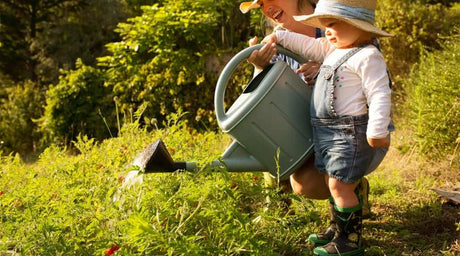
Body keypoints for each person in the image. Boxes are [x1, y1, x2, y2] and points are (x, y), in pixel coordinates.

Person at [261, 0, 394, 255]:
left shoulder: (368, 56)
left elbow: (379, 94)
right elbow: (306, 44)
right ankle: (337, 227)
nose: (327, 31)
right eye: (325, 25)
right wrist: (277, 37)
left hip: (349, 133)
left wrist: (377, 130)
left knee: (339, 185)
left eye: (333, 24)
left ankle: (350, 240)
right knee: (330, 178)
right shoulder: (332, 49)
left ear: (358, 25)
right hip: (327, 132)